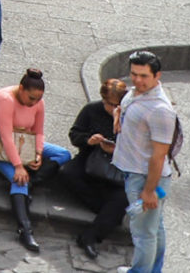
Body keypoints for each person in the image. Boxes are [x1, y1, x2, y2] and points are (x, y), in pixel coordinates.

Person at [0, 67, 63, 252]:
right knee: (19, 180)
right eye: (31, 99)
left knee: (62, 154)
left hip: (24, 142)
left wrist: (37, 153)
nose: (34, 103)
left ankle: (31, 185)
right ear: (21, 89)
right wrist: (19, 166)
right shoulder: (5, 99)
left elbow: (39, 131)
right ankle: (25, 230)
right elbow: (5, 136)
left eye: (38, 99)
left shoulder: (37, 102)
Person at [113, 51, 177, 273]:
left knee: (143, 234)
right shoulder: (136, 94)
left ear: (157, 75)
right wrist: (117, 118)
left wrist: (149, 191)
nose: (138, 80)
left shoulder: (160, 110)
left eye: (144, 76)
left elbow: (159, 155)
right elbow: (122, 108)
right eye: (134, 74)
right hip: (136, 172)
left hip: (145, 178)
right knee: (154, 229)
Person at [66, 74, 133, 258]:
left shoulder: (130, 117)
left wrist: (116, 149)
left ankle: (91, 236)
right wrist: (90, 140)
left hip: (116, 165)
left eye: (115, 105)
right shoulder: (91, 110)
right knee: (68, 172)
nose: (112, 109)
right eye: (108, 104)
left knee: (123, 196)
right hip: (91, 158)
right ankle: (107, 213)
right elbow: (74, 135)